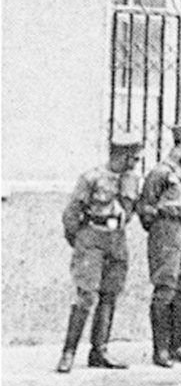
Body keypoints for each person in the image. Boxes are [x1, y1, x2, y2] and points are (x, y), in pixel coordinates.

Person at [56, 133, 144, 373]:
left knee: (110, 294)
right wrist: (82, 243)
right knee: (85, 295)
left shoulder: (132, 180)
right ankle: (68, 353)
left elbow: (130, 210)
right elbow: (71, 215)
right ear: (121, 155)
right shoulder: (91, 178)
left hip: (117, 239)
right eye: (134, 158)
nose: (136, 163)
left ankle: (100, 351)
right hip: (92, 236)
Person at [138, 123, 181, 367]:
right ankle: (161, 349)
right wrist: (161, 227)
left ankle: (177, 345)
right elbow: (145, 207)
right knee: (166, 286)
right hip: (168, 228)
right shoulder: (161, 172)